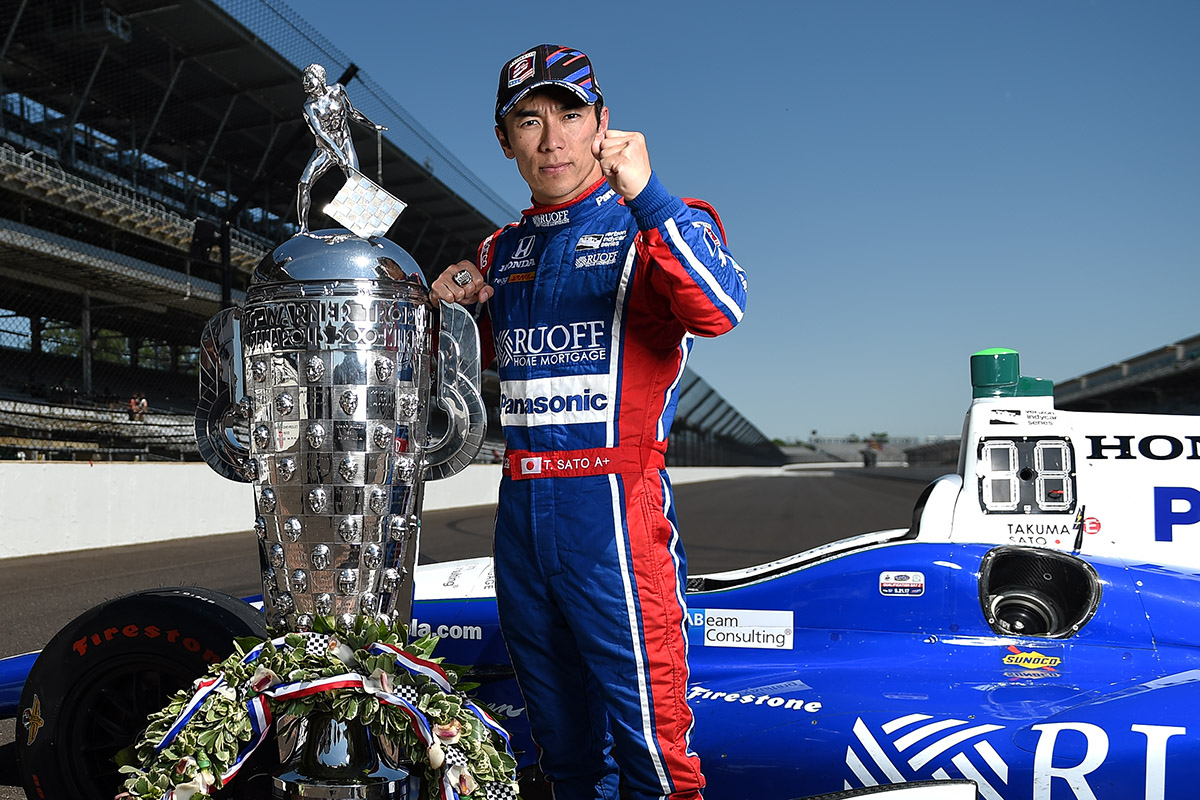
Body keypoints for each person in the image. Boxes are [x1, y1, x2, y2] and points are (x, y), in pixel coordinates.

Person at [429, 45, 747, 799]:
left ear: (603, 124)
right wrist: (439, 313)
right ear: (505, 142)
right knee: (564, 752)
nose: (553, 140)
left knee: (654, 750)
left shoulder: (659, 222)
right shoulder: (498, 251)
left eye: (571, 115)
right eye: (529, 122)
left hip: (613, 512)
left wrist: (654, 198)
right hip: (520, 511)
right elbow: (447, 375)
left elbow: (720, 310)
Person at [295, 63, 387, 234]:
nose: (305, 85)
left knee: (354, 182)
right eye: (304, 82)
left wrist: (373, 125)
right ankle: (303, 228)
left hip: (344, 141)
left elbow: (352, 112)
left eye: (308, 80)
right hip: (325, 149)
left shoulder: (338, 90)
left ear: (320, 78)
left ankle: (363, 224)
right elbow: (321, 134)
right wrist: (338, 155)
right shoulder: (309, 107)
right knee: (304, 183)